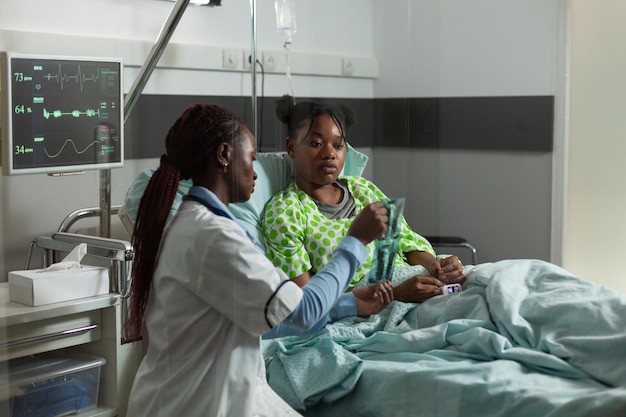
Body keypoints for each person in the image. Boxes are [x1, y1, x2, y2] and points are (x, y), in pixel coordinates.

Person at [124, 103, 395, 417]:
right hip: (194, 406)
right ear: (224, 156)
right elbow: (302, 313)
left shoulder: (197, 224)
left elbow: (268, 320)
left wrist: (351, 305)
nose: (255, 173)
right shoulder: (214, 238)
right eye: (251, 159)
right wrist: (355, 241)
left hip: (191, 397)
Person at [262, 95, 466, 303]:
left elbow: (407, 242)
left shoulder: (364, 189)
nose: (329, 154)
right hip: (368, 308)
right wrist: (394, 295)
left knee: (494, 283)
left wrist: (437, 267)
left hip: (422, 285)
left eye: (338, 146)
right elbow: (308, 303)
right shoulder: (285, 212)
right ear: (291, 147)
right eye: (316, 143)